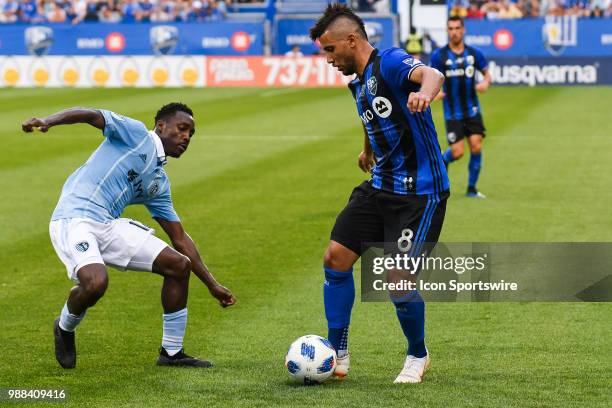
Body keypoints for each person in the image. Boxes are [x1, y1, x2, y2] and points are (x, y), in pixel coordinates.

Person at [21, 103, 236, 369]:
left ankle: (171, 353)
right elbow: (90, 114)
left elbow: (180, 238)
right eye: (182, 129)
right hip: (74, 217)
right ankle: (65, 326)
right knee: (96, 283)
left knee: (179, 265)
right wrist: (48, 119)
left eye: (191, 133)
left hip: (107, 225)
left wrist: (212, 285)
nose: (186, 137)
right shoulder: (136, 134)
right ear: (161, 126)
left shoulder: (158, 182)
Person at [309, 4, 449, 384]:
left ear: (351, 40)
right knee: (336, 258)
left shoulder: (388, 61)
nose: (329, 59)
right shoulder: (357, 80)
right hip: (380, 185)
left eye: (330, 50)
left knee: (398, 279)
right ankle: (338, 352)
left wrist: (424, 92)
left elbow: (432, 74)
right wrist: (368, 149)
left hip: (420, 194)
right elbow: (370, 114)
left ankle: (417, 355)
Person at [430, 16, 491, 198]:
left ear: (463, 30)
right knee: (457, 152)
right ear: (447, 31)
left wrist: (485, 83)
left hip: (472, 109)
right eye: (450, 28)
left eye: (457, 28)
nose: (454, 31)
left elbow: (487, 73)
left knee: (476, 147)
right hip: (453, 113)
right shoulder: (439, 55)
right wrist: (435, 92)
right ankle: (443, 159)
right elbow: (431, 78)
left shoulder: (474, 53)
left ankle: (471, 189)